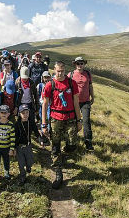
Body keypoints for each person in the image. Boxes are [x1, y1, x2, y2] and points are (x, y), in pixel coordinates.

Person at [41, 61, 82, 189]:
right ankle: (59, 174)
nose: (60, 73)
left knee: (72, 144)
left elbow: (76, 102)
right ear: (54, 70)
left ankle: (64, 154)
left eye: (62, 71)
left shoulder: (72, 83)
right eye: (58, 71)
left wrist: (79, 120)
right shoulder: (49, 85)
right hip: (55, 119)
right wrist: (44, 124)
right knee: (55, 146)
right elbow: (45, 105)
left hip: (70, 118)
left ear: (65, 70)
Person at [69, 57, 94, 151]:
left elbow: (90, 86)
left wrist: (93, 97)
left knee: (86, 121)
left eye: (81, 63)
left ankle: (88, 142)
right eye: (78, 63)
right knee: (74, 121)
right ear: (75, 64)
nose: (80, 65)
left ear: (84, 64)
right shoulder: (71, 74)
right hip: (74, 102)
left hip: (86, 102)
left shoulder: (88, 74)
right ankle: (72, 141)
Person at [0, 105, 16, 189]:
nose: (4, 114)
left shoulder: (11, 125)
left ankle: (6, 171)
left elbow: (12, 138)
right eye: (2, 112)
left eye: (6, 113)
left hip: (6, 147)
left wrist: (11, 149)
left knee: (6, 161)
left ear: (9, 114)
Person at [15, 104, 41, 185]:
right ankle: (22, 176)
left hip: (28, 145)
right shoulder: (17, 124)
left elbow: (36, 132)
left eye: (27, 112)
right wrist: (13, 148)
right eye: (23, 113)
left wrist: (41, 140)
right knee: (21, 163)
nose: (25, 115)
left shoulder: (31, 122)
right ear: (19, 114)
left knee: (30, 161)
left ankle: (28, 166)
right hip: (19, 147)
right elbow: (14, 137)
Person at [37, 71, 52, 146]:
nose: (46, 79)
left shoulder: (52, 85)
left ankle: (49, 135)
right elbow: (37, 95)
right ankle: (43, 136)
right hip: (41, 105)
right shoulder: (39, 86)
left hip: (50, 105)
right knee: (42, 120)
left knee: (49, 119)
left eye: (48, 77)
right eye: (45, 77)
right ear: (42, 78)